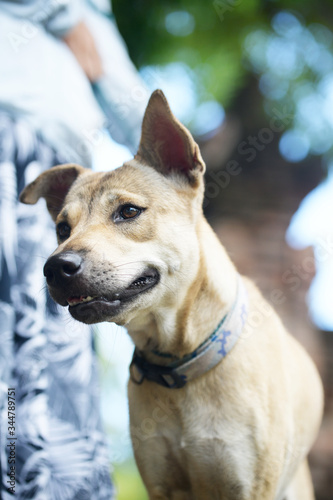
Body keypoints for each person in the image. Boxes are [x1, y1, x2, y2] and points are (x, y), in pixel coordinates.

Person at [0, 1, 149, 497]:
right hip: (14, 142)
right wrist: (65, 15)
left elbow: (118, 81)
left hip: (57, 168)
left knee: (45, 364)